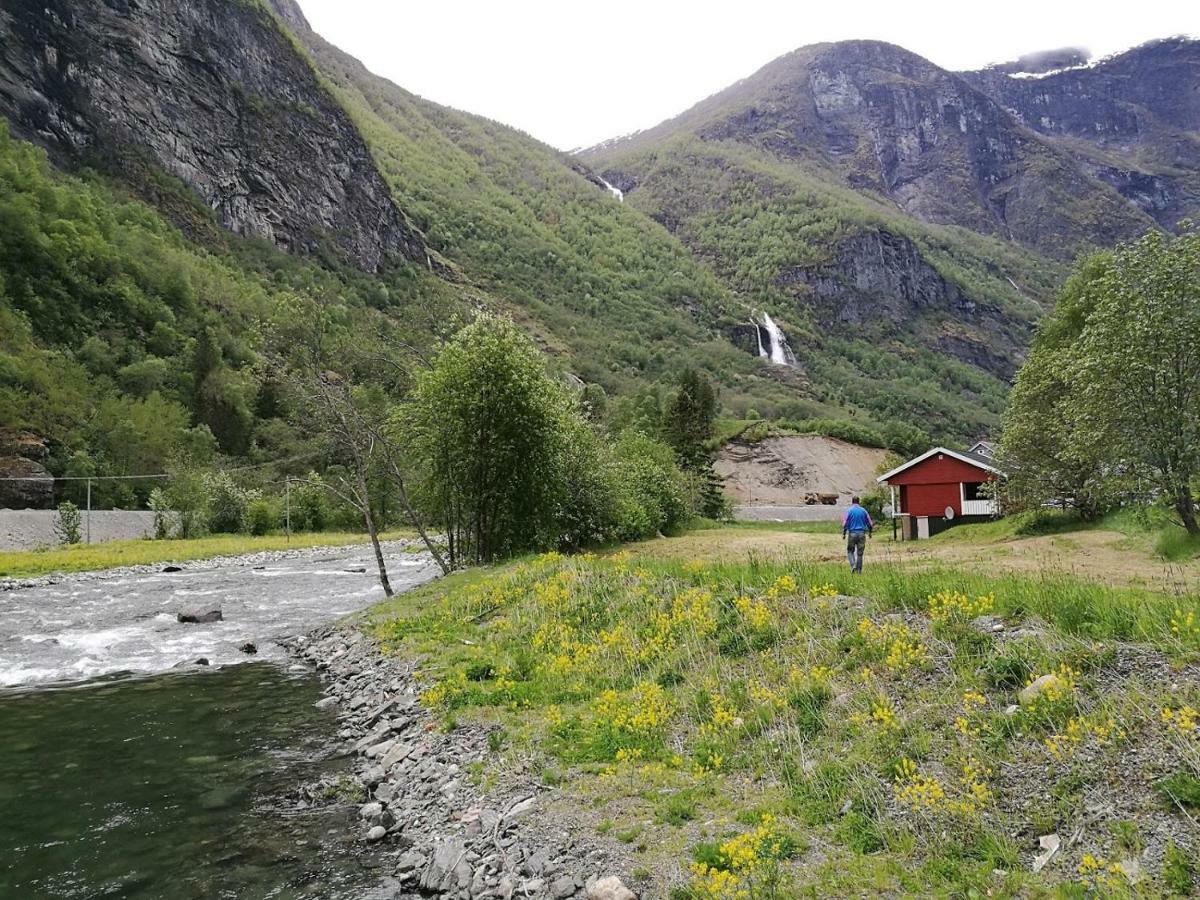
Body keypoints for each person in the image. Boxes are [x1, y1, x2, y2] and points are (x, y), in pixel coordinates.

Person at [842, 496, 873, 574]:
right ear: (859, 502)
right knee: (860, 553)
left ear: (852, 502)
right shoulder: (864, 511)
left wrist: (844, 533)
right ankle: (859, 571)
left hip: (852, 533)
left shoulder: (849, 511)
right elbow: (870, 523)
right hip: (862, 533)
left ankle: (853, 566)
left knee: (850, 551)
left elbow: (845, 523)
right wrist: (870, 532)